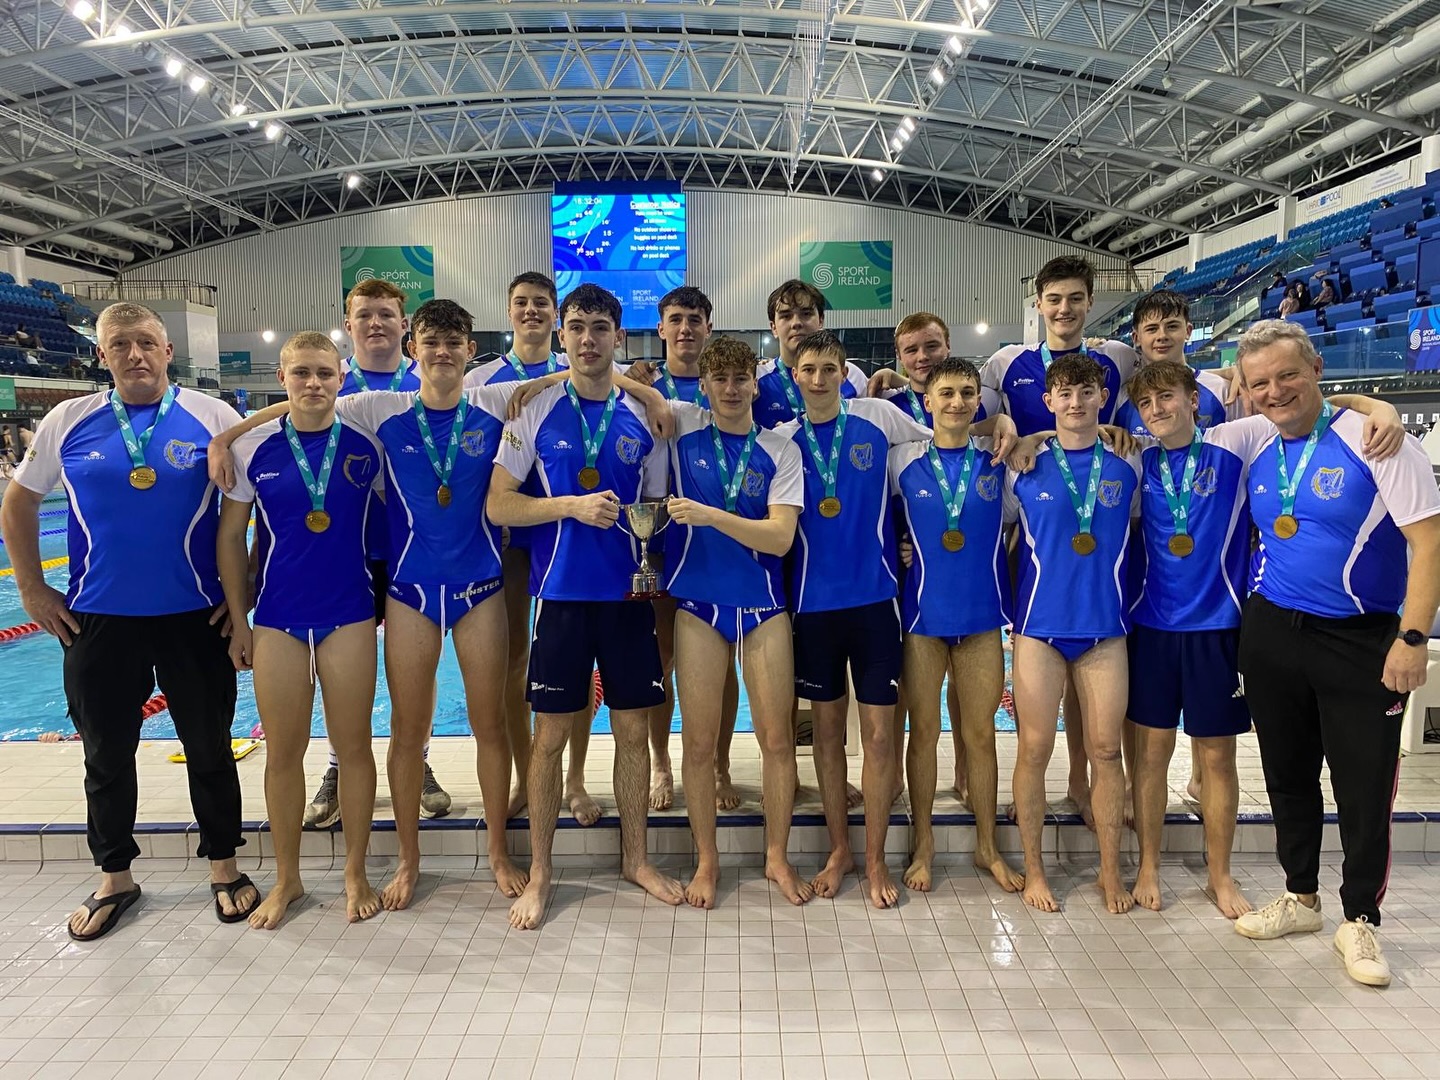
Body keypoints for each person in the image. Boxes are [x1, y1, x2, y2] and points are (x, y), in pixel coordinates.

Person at [211, 300, 530, 908]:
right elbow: (306, 400)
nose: (442, 352)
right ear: (414, 349)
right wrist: (227, 436)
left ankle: (497, 851)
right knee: (406, 732)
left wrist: (645, 392)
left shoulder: (494, 401)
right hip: (408, 593)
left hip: (481, 590)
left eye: (454, 343)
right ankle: (408, 860)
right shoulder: (381, 409)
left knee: (490, 725)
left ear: (471, 351)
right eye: (431, 341)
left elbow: (571, 375)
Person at [0, 301, 259, 940]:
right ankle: (114, 876)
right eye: (121, 344)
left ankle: (224, 866)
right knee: (106, 753)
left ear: (168, 351)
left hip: (195, 616)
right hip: (98, 619)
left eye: (146, 342)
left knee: (209, 747)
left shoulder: (214, 417)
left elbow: (251, 510)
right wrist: (32, 588)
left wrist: (243, 597)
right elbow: (19, 501)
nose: (135, 354)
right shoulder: (69, 419)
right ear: (102, 355)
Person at [1122, 359, 1405, 919]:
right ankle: (1148, 865)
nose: (1157, 410)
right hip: (1152, 626)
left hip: (1218, 627)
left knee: (1217, 758)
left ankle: (1220, 875)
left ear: (1194, 400)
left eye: (1168, 397)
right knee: (1151, 756)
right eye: (1147, 404)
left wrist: (1380, 406)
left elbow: (1314, 406)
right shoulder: (1136, 458)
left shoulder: (1237, 440)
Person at [1231, 320, 1440, 988]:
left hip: (1360, 637)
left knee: (1363, 784)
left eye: (1288, 375)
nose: (1275, 391)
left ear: (1318, 368)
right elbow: (1168, 408)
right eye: (1260, 382)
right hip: (1273, 630)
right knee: (1287, 774)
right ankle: (1301, 896)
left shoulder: (1380, 441)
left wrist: (1413, 638)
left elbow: (1430, 544)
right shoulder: (1256, 439)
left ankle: (1360, 919)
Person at [488, 283, 683, 930]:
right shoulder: (533, 410)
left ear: (618, 337)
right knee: (548, 740)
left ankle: (636, 859)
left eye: (600, 327)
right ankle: (542, 872)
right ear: (562, 336)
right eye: (577, 327)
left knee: (632, 734)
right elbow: (499, 503)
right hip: (562, 598)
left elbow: (654, 508)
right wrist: (569, 506)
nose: (588, 338)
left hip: (627, 598)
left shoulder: (647, 418)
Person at [217, 332, 386, 928]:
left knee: (355, 748)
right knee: (283, 753)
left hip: (350, 613)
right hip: (277, 617)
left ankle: (356, 872)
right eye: (301, 373)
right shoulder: (253, 448)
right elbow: (230, 538)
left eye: (324, 373)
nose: (313, 384)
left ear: (341, 377)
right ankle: (287, 878)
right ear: (282, 379)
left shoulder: (367, 443)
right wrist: (239, 620)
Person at [775, 329, 933, 908]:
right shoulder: (782, 441)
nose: (819, 379)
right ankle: (840, 850)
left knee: (879, 735)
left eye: (829, 369)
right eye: (809, 369)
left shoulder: (878, 418)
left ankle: (875, 861)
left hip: (875, 601)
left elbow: (944, 441)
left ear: (846, 374)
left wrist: (1016, 430)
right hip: (813, 606)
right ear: (795, 375)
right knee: (826, 736)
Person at [982, 254, 1139, 828]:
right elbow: (976, 423)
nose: (1065, 309)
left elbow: (1163, 396)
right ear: (1039, 303)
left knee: (1095, 697)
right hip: (1036, 503)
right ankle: (1051, 789)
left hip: (1098, 514)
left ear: (1090, 302)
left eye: (1075, 298)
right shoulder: (1008, 363)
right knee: (1040, 695)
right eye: (1054, 299)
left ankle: (1083, 783)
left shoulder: (1117, 358)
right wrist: (1030, 436)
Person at [661, 336, 808, 907]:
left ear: (754, 384)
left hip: (762, 606)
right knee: (698, 744)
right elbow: (607, 379)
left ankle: (777, 857)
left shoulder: (780, 449)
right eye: (719, 379)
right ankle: (707, 860)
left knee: (776, 739)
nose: (730, 389)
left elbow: (779, 537)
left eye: (740, 378)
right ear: (703, 386)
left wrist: (710, 515)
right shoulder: (682, 430)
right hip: (699, 605)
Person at [304, 279, 454, 830]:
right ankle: (337, 766)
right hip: (348, 548)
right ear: (348, 323)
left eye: (386, 314)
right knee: (341, 664)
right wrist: (227, 439)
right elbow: (286, 417)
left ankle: (418, 759)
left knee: (421, 663)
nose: (375, 323)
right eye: (364, 314)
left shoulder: (433, 377)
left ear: (404, 325)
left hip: (415, 548)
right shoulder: (330, 381)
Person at [1003, 352, 1140, 914]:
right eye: (1065, 393)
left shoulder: (1130, 461)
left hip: (1105, 628)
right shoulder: (1021, 465)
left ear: (1103, 398)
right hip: (1039, 627)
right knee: (1035, 748)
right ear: (1049, 401)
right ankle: (1035, 870)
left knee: (1106, 751)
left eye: (1087, 392)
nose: (1077, 403)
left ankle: (1110, 871)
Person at [463, 272, 601, 827]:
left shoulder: (579, 365)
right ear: (508, 311)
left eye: (542, 303)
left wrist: (553, 378)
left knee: (580, 661)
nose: (531, 311)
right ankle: (528, 775)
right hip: (506, 535)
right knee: (516, 659)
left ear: (556, 315)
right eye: (521, 302)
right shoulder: (482, 379)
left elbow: (613, 378)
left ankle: (576, 779)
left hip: (568, 533)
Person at [888, 356, 1024, 895]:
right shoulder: (902, 460)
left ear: (979, 402)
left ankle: (988, 846)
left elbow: (1024, 519)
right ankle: (923, 844)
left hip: (982, 619)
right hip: (923, 620)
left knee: (981, 734)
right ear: (927, 401)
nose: (957, 402)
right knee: (922, 733)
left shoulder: (999, 462)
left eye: (968, 393)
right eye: (946, 393)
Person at [869, 312, 1002, 801]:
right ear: (900, 357)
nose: (922, 357)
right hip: (917, 582)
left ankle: (966, 773)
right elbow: (875, 498)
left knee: (972, 707)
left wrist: (1007, 425)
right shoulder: (890, 412)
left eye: (932, 347)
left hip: (972, 580)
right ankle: (900, 780)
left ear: (948, 347)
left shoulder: (987, 420)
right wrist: (900, 541)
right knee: (912, 706)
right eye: (911, 350)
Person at [640, 286, 745, 815]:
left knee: (722, 661)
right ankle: (661, 761)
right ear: (661, 328)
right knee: (662, 657)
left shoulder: (727, 383)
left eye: (695, 319)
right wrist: (643, 389)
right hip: (658, 538)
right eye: (676, 319)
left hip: (717, 539)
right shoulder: (641, 383)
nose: (685, 328)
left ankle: (720, 763)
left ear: (709, 326)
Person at [753, 280, 868, 429]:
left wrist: (892, 378)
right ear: (773, 327)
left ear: (820, 321)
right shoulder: (755, 381)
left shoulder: (851, 375)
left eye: (806, 314)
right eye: (786, 316)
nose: (796, 323)